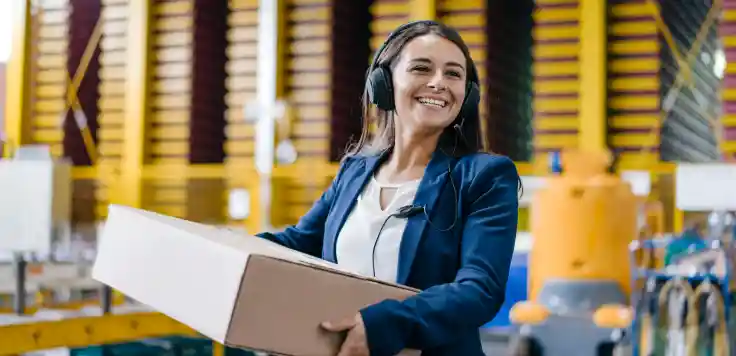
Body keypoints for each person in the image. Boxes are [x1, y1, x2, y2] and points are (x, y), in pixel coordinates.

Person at [257, 20, 520, 356]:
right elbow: (297, 244)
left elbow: (479, 289)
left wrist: (386, 324)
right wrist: (221, 253)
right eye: (422, 68)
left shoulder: (486, 176)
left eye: (453, 74)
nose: (438, 82)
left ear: (467, 95)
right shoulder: (355, 171)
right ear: (384, 83)